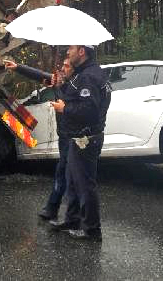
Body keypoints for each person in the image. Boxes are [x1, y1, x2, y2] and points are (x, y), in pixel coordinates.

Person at [48, 45, 111, 242]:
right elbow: (77, 97)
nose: (68, 52)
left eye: (71, 49)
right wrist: (61, 86)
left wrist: (63, 109)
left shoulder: (88, 77)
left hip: (86, 139)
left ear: (82, 52)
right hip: (79, 138)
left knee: (85, 185)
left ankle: (92, 229)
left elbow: (88, 110)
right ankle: (73, 219)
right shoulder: (85, 74)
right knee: (74, 181)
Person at [3, 58, 74, 220]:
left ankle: (60, 211)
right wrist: (18, 67)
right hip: (64, 135)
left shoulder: (77, 84)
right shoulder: (60, 81)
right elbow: (40, 75)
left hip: (74, 136)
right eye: (62, 65)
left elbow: (84, 108)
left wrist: (65, 108)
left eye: (66, 66)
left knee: (66, 173)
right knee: (64, 172)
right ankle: (56, 210)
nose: (62, 69)